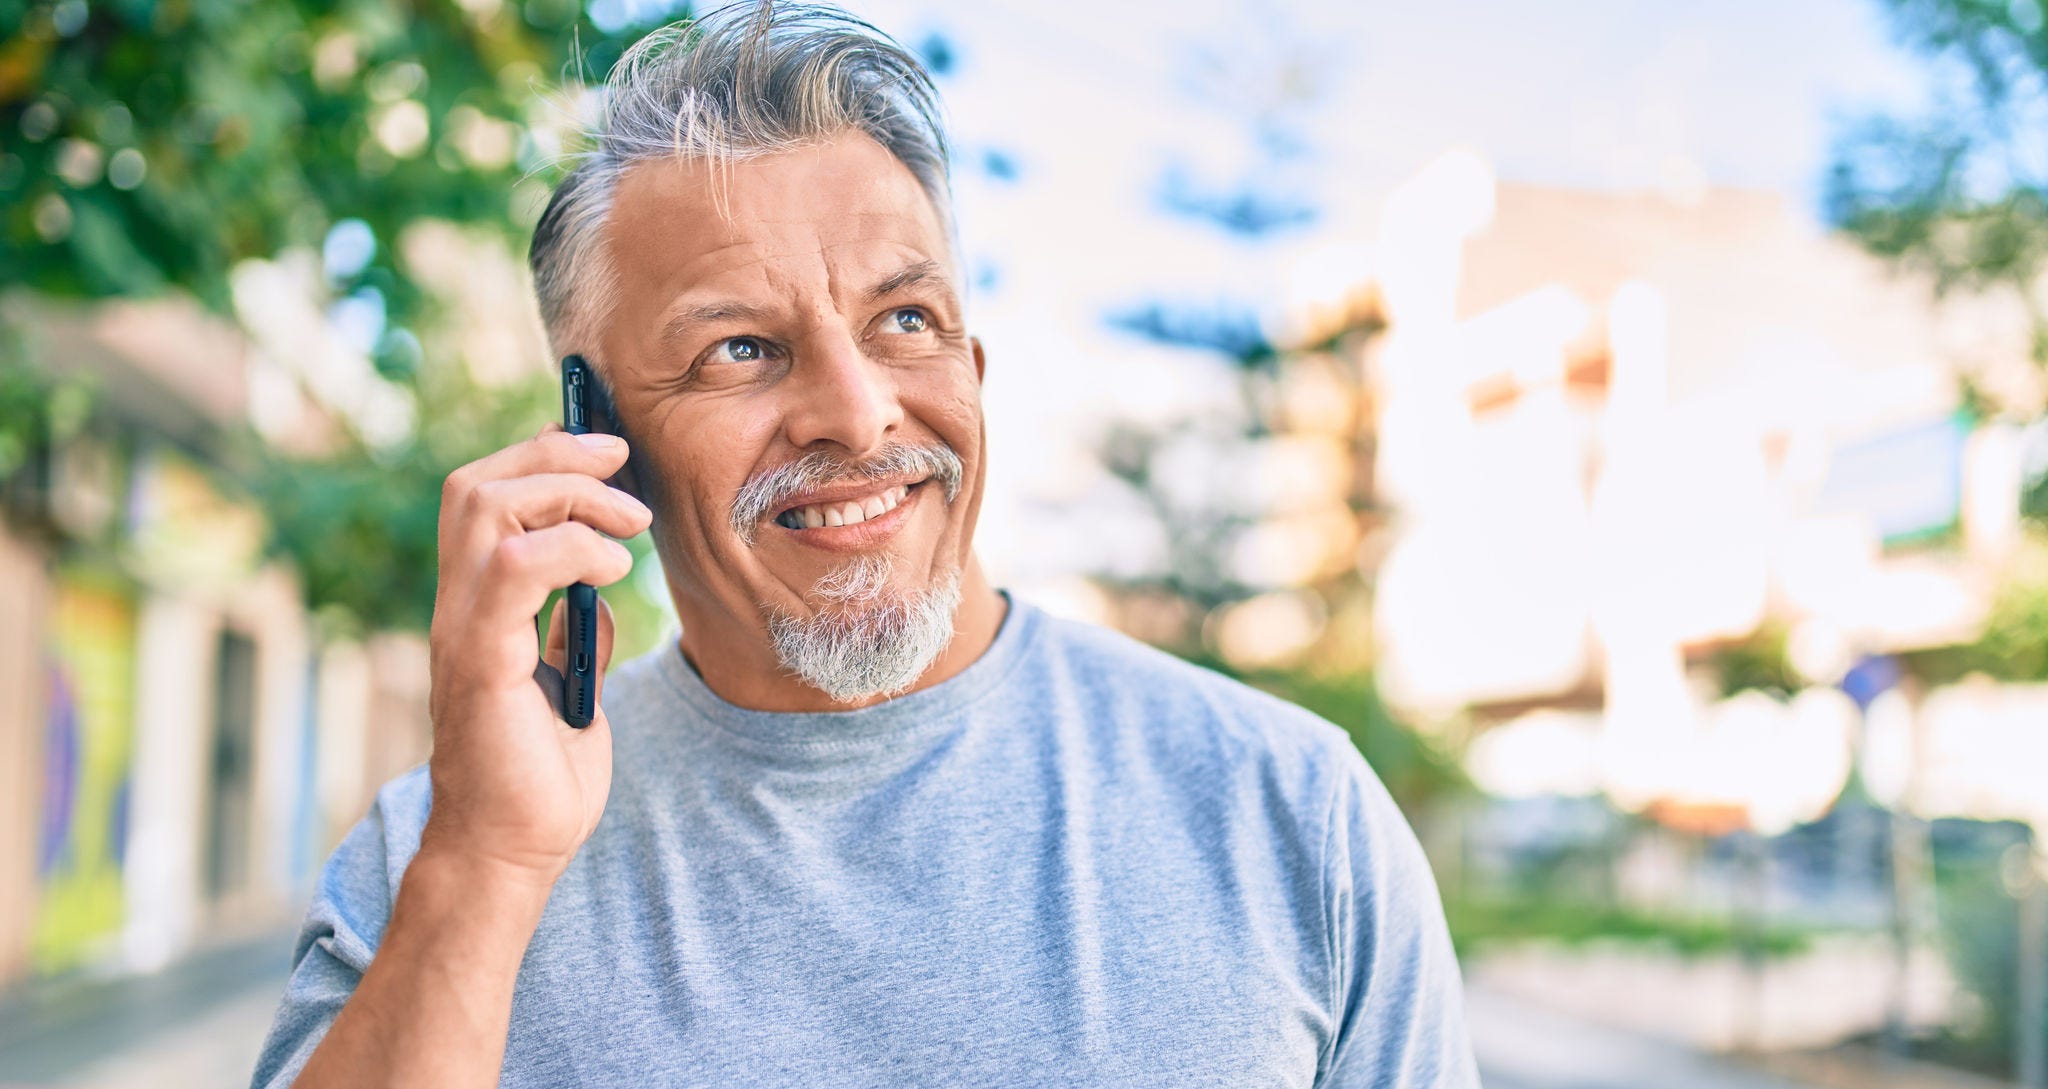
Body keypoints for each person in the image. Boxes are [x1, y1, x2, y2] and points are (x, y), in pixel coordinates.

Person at [250, 3, 1479, 1085]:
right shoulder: (442, 855)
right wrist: (487, 869)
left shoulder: (1292, 815)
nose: (856, 411)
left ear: (972, 370)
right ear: (596, 439)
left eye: (904, 320)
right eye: (738, 347)